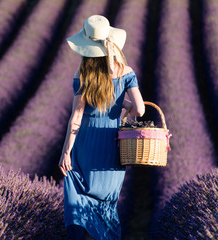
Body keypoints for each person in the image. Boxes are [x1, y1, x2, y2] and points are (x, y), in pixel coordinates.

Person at [59, 15, 145, 240]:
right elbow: (140, 110)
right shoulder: (126, 72)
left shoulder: (82, 75)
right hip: (110, 146)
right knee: (107, 206)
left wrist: (66, 151)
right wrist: (120, 103)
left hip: (85, 145)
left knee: (76, 197)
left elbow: (76, 116)